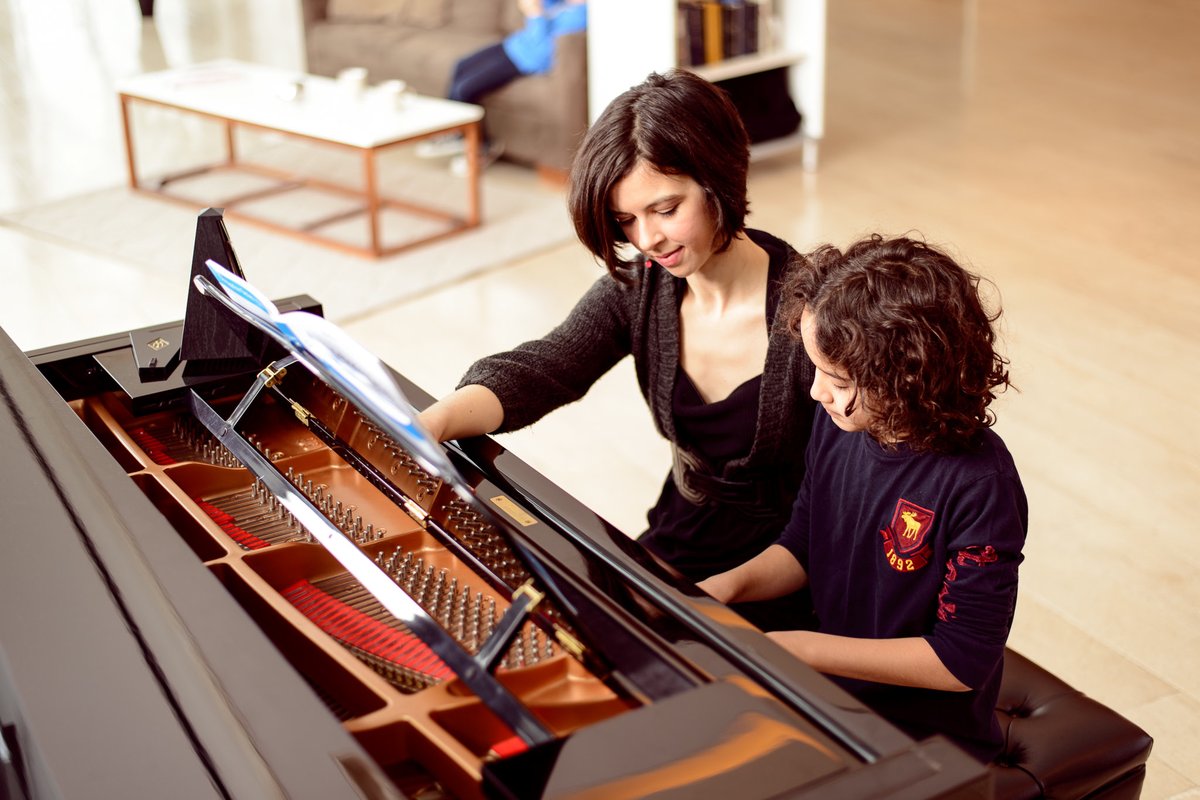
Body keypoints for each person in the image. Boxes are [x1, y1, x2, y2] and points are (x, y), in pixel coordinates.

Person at [418, 70, 817, 629]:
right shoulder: (640, 291)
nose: (647, 240)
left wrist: (705, 599)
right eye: (626, 220)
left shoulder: (816, 314)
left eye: (666, 209)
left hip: (792, 567)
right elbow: (546, 367)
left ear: (720, 178)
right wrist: (431, 423)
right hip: (682, 541)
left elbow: (848, 499)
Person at [698, 234, 1027, 762]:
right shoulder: (841, 425)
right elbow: (803, 544)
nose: (816, 392)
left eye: (837, 378)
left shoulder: (980, 485)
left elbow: (962, 660)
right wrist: (725, 586)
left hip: (924, 737)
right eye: (816, 369)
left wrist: (802, 648)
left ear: (908, 376)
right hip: (834, 697)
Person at [417, 0, 587, 174]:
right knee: (460, 66)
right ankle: (454, 131)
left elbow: (542, 49)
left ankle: (480, 146)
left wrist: (535, 14)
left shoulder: (582, 15)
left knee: (464, 89)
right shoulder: (563, 3)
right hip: (514, 44)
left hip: (529, 58)